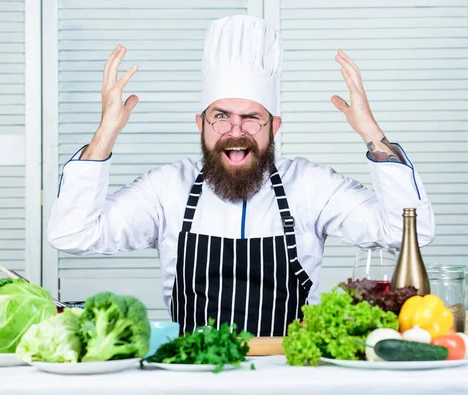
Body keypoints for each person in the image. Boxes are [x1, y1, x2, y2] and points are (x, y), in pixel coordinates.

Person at [48, 15, 435, 336]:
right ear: (200, 124)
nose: (236, 131)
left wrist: (372, 133)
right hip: (192, 374)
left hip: (292, 376)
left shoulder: (311, 185)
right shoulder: (166, 188)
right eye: (221, 117)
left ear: (274, 127)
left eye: (252, 117)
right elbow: (72, 233)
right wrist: (106, 132)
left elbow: (409, 232)